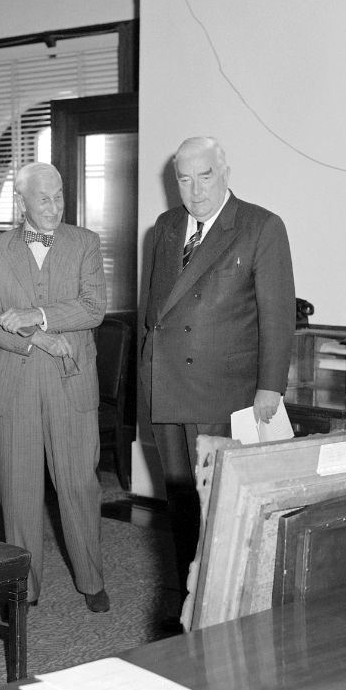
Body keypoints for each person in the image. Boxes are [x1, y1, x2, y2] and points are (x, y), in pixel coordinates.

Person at [142, 136, 295, 597]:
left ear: (224, 172)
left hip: (224, 395)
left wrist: (270, 388)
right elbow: (154, 315)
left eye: (204, 176)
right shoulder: (165, 227)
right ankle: (188, 598)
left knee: (223, 508)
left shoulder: (259, 226)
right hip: (168, 389)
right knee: (182, 505)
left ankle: (225, 602)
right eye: (184, 179)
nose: (195, 189)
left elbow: (277, 315)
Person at [0, 161, 110, 613]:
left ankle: (91, 579)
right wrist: (38, 340)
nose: (53, 207)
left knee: (78, 486)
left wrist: (37, 316)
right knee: (18, 490)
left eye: (59, 196)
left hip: (71, 383)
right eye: (43, 199)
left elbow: (93, 308)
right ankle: (23, 588)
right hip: (15, 380)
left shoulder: (85, 243)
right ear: (22, 203)